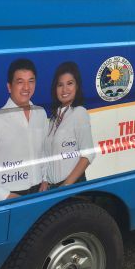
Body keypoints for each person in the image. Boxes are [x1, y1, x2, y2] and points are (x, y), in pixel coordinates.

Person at [0, 59, 47, 203]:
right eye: (20, 82)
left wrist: (44, 179)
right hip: (6, 196)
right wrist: (4, 195)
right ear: (9, 87)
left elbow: (43, 151)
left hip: (38, 192)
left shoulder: (40, 113)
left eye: (31, 81)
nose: (26, 87)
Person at [40, 62, 95, 190]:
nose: (65, 90)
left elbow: (88, 155)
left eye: (70, 83)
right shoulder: (54, 118)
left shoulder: (79, 113)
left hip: (71, 187)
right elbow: (48, 155)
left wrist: (66, 186)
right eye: (60, 85)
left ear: (77, 86)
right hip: (52, 188)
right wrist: (45, 180)